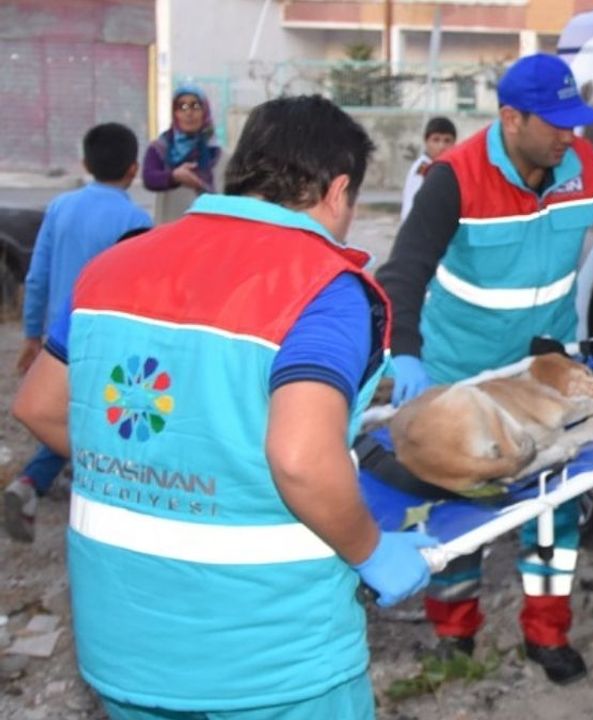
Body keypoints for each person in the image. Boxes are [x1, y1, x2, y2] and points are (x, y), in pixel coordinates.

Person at [12, 95, 435, 719]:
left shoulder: (115, 267)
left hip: (125, 641)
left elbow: (40, 405)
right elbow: (300, 460)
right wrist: (371, 550)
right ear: (338, 191)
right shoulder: (322, 287)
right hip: (269, 657)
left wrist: (166, 465)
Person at [376, 52, 593, 685]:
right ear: (511, 118)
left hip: (542, 370)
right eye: (556, 123)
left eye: (576, 122)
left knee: (553, 508)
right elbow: (405, 270)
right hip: (461, 373)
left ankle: (547, 633)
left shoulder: (584, 168)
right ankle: (454, 635)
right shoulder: (455, 177)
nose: (571, 135)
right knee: (459, 512)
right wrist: (408, 353)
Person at [5, 122, 152, 543]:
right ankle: (40, 481)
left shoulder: (60, 206)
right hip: (105, 338)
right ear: (133, 169)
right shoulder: (135, 219)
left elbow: (37, 275)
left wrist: (33, 335)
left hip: (59, 334)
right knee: (94, 415)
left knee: (68, 410)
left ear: (84, 163)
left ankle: (36, 481)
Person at [143, 84, 221, 223]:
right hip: (169, 229)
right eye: (182, 107)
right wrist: (174, 177)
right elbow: (149, 178)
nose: (188, 113)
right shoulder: (160, 148)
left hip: (208, 231)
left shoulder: (217, 153)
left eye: (195, 106)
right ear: (175, 113)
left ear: (205, 112)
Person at [401, 116, 457, 222]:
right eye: (436, 140)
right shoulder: (422, 169)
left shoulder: (447, 167)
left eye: (447, 141)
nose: (442, 146)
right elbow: (411, 205)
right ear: (426, 141)